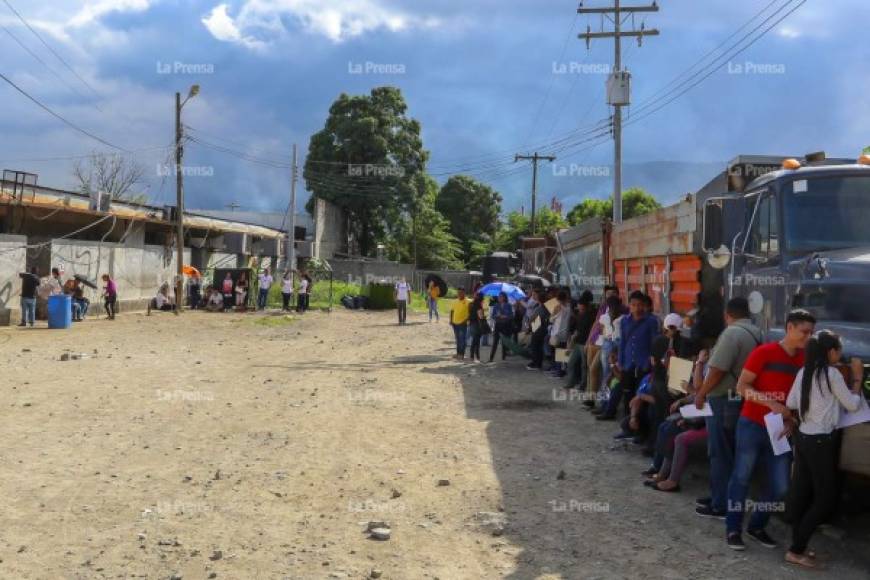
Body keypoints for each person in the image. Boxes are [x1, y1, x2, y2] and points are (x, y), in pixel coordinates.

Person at [725, 309, 816, 551]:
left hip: (781, 430)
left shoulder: (805, 359)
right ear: (789, 328)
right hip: (752, 424)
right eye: (804, 332)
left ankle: (756, 525)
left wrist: (792, 419)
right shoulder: (764, 352)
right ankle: (733, 528)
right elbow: (742, 386)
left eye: (811, 333)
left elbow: (802, 398)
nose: (808, 337)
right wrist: (772, 403)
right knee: (741, 477)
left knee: (781, 486)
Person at [784, 331, 863, 569]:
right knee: (825, 498)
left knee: (803, 493)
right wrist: (858, 379)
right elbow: (853, 404)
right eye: (838, 349)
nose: (840, 353)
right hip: (821, 442)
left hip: (805, 439)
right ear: (830, 352)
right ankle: (796, 550)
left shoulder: (803, 372)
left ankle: (799, 545)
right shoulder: (832, 375)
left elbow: (790, 403)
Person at [694, 297, 763, 519]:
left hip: (723, 399)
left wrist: (701, 393)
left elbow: (717, 370)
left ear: (727, 315)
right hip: (739, 399)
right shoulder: (757, 333)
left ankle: (721, 504)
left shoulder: (732, 334)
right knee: (730, 450)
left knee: (720, 452)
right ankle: (720, 495)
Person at [597, 291, 659, 421]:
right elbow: (623, 343)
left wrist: (651, 361)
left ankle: (639, 428)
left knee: (640, 397)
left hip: (643, 365)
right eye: (634, 305)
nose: (637, 308)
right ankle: (627, 426)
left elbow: (654, 343)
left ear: (644, 306)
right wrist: (620, 362)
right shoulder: (624, 321)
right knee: (627, 396)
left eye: (640, 305)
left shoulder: (651, 321)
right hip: (627, 365)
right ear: (629, 306)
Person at [489, 292, 513, 362]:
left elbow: (511, 316)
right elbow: (493, 315)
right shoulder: (496, 305)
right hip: (498, 325)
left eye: (501, 297)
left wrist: (505, 316)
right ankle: (491, 358)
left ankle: (504, 357)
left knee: (504, 342)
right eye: (499, 297)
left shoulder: (508, 305)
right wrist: (497, 315)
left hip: (505, 325)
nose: (499, 298)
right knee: (495, 342)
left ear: (504, 297)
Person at [449, 287, 471, 360]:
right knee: (457, 339)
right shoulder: (455, 301)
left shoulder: (469, 302)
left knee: (462, 339)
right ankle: (458, 353)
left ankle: (462, 354)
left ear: (464, 293)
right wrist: (451, 320)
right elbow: (452, 311)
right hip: (455, 323)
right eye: (458, 293)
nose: (459, 294)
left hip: (463, 323)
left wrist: (466, 320)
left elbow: (471, 313)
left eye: (461, 293)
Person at [468, 293, 488, 363]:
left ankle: (475, 357)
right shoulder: (479, 306)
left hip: (472, 323)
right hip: (477, 324)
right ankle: (473, 357)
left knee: (475, 341)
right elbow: (481, 317)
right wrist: (484, 315)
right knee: (476, 341)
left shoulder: (471, 304)